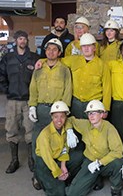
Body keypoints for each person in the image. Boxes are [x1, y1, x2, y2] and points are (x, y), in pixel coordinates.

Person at [29, 38, 72, 189]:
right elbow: (33, 88)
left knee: (58, 143)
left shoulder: (64, 69)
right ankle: (37, 176)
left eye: (54, 49)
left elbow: (68, 91)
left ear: (59, 52)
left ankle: (60, 172)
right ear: (45, 51)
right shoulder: (39, 68)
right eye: (48, 49)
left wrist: (64, 111)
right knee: (38, 145)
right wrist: (32, 106)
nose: (51, 52)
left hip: (57, 111)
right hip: (41, 109)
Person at [65, 100, 123, 196]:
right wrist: (69, 131)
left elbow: (118, 151)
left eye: (94, 113)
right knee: (73, 193)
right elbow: (69, 120)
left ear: (101, 114)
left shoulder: (109, 128)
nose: (91, 116)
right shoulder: (85, 124)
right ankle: (96, 179)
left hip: (105, 162)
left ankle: (116, 188)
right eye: (89, 113)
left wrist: (100, 162)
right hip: (90, 162)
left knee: (118, 163)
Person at [0, 30, 39, 174]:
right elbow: (1, 75)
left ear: (27, 41)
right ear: (15, 40)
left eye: (25, 39)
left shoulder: (34, 58)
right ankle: (14, 160)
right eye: (20, 39)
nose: (23, 41)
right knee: (11, 129)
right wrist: (7, 90)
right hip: (13, 100)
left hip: (29, 100)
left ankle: (31, 160)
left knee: (30, 129)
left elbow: (39, 77)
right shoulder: (7, 58)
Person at [34, 101, 83, 196]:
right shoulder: (45, 134)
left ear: (66, 117)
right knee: (60, 193)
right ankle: (40, 176)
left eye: (62, 116)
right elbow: (47, 157)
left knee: (79, 156)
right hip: (45, 162)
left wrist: (63, 166)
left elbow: (65, 149)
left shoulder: (65, 131)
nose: (59, 120)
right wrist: (58, 172)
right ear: (51, 117)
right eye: (56, 117)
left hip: (57, 157)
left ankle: (65, 178)